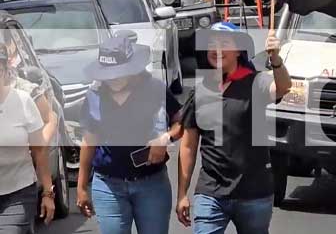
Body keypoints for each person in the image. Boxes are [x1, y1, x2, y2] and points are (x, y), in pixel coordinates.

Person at [176, 23, 292, 234]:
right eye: (212, 43)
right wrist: (182, 193)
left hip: (254, 194)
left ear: (238, 50)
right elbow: (188, 146)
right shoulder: (200, 90)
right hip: (211, 193)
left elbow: (282, 87)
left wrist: (275, 59)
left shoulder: (256, 82)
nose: (217, 49)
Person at [76, 36, 183, 234]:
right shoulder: (94, 96)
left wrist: (164, 138)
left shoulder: (155, 89)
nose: (113, 78)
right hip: (108, 185)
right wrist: (82, 186)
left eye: (118, 73)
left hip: (151, 183)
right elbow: (88, 141)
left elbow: (180, 123)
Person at [0, 44, 55, 232]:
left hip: (17, 193)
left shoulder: (23, 100)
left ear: (5, 70)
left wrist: (48, 192)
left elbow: (39, 149)